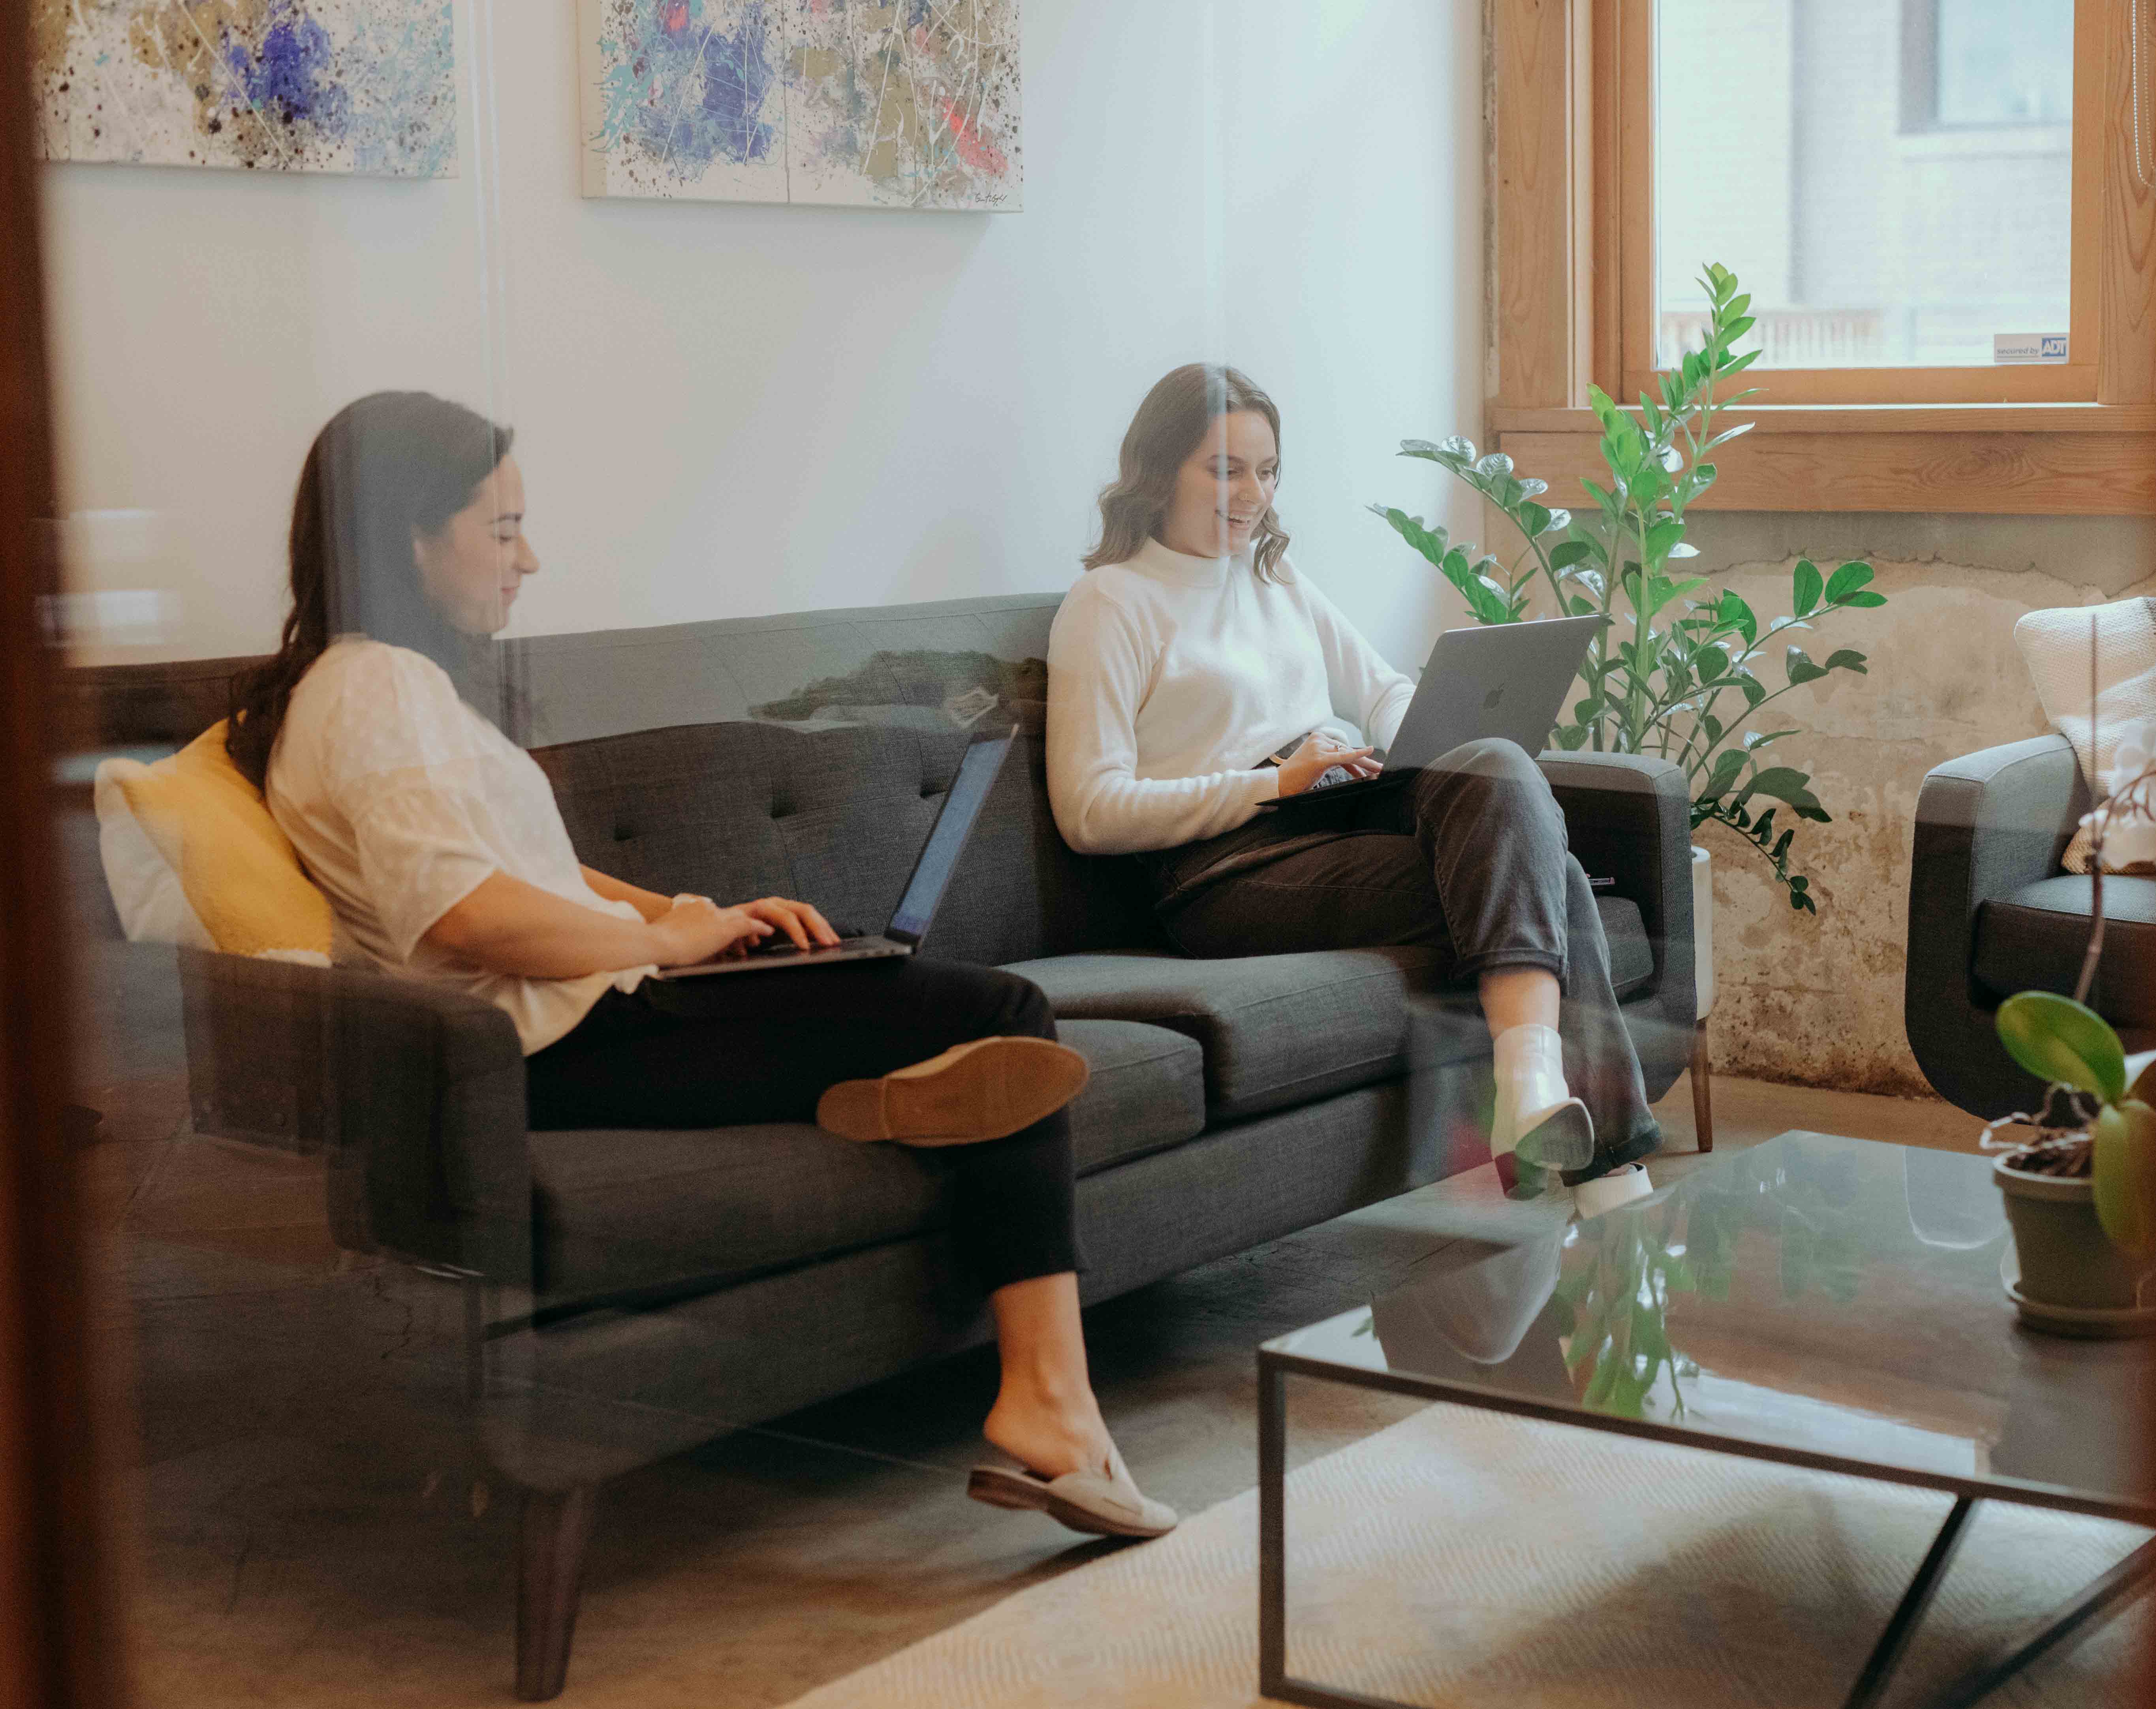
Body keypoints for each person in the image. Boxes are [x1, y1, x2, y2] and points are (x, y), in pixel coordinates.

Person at [227, 391, 1173, 1540]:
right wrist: (664, 946)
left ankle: (889, 1109)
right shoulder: (375, 689)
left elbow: (533, 871)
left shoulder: (382, 686)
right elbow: (466, 919)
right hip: (554, 1047)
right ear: (406, 536)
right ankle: (1048, 1409)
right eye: (502, 528)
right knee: (1008, 1015)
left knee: (944, 1011)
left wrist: (697, 910)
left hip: (591, 1013)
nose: (531, 558)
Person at [1045, 365, 1660, 1213]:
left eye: (1266, 470)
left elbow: (1382, 690)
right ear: (1158, 472)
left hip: (1333, 810)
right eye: (1224, 469)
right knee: (1536, 870)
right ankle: (1599, 1164)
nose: (1252, 494)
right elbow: (1089, 810)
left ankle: (1533, 1088)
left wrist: (1423, 732)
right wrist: (1271, 785)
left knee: (1495, 765)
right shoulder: (1109, 603)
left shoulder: (1274, 579)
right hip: (1221, 869)